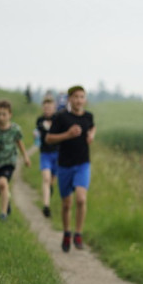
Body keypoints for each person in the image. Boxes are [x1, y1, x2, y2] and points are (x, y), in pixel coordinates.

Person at [44, 85, 95, 252]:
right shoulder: (61, 117)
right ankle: (67, 233)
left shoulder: (88, 116)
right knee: (67, 204)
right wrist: (68, 134)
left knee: (81, 199)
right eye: (75, 97)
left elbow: (92, 127)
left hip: (82, 164)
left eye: (82, 97)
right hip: (65, 165)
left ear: (85, 99)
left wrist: (92, 135)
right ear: (69, 99)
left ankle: (78, 233)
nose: (79, 100)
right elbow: (49, 139)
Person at [34, 96, 59, 217]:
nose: (48, 109)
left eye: (50, 107)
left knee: (52, 180)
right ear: (43, 108)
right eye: (45, 107)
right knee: (46, 179)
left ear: (54, 108)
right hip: (45, 154)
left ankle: (50, 189)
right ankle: (46, 206)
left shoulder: (59, 119)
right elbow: (38, 132)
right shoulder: (39, 120)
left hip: (58, 153)